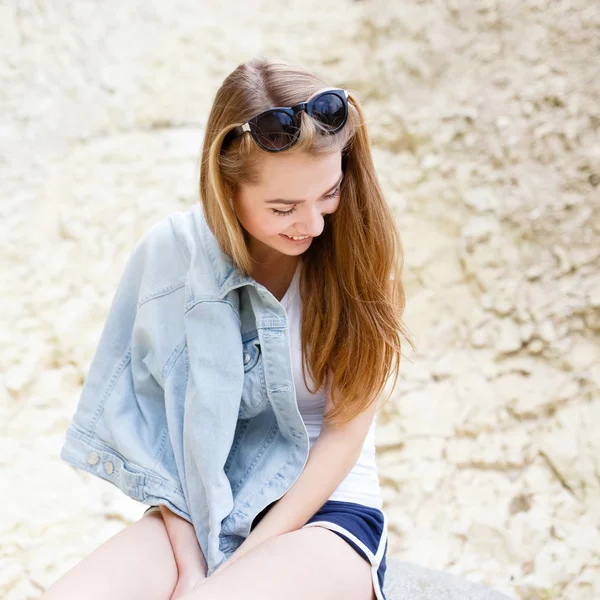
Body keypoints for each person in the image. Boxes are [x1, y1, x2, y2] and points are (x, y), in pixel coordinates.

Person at [41, 57, 412, 600]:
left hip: (323, 513)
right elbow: (162, 447)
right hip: (204, 506)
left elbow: (344, 437)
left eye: (328, 194)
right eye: (284, 207)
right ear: (226, 188)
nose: (311, 224)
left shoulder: (365, 263)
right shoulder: (173, 257)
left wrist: (232, 572)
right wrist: (192, 568)